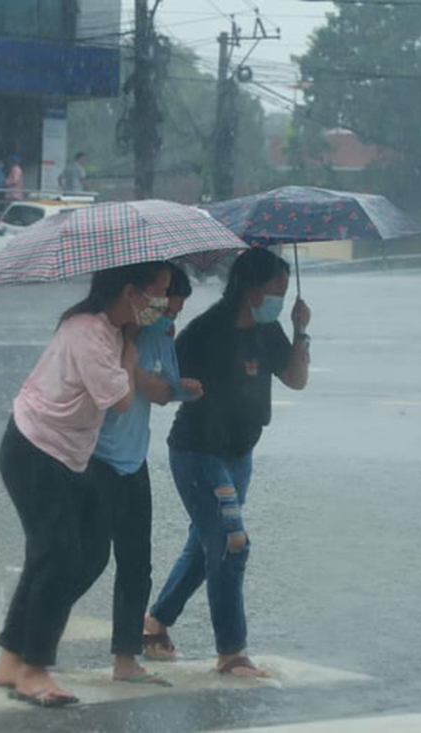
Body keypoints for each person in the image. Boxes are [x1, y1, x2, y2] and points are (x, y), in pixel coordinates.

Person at [0, 261, 173, 708]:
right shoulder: (90, 333)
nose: (161, 305)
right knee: (60, 555)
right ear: (130, 292)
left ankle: (12, 657)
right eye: (157, 293)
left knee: (86, 554)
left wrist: (131, 342)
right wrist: (131, 355)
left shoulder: (109, 328)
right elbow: (123, 400)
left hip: (64, 455)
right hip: (35, 449)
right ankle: (34, 669)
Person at [143, 247, 311, 678]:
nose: (281, 297)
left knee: (207, 545)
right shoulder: (206, 330)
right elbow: (164, 380)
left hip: (239, 455)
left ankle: (155, 624)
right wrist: (182, 386)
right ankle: (231, 653)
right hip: (198, 453)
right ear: (250, 289)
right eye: (277, 290)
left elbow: (296, 379)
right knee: (231, 542)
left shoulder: (269, 329)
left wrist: (299, 330)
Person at [90, 265, 202, 687]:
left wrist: (177, 387)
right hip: (94, 458)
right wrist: (134, 358)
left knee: (137, 564)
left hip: (132, 461)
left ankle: (126, 658)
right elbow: (137, 387)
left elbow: (160, 390)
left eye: (175, 310)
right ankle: (31, 645)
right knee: (85, 560)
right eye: (164, 305)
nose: (169, 316)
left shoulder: (158, 334)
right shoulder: (107, 332)